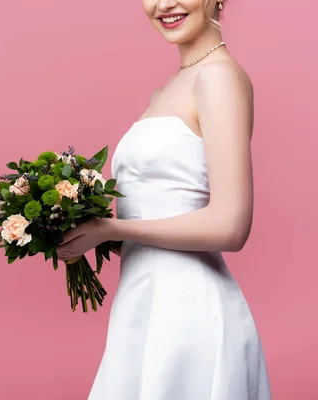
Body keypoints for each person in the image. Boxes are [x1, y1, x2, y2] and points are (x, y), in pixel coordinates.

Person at [56, 0, 272, 398]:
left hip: (189, 318)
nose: (162, 4)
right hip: (144, 308)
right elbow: (163, 223)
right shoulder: (170, 87)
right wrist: (88, 234)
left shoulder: (219, 78)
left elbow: (231, 225)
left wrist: (111, 227)